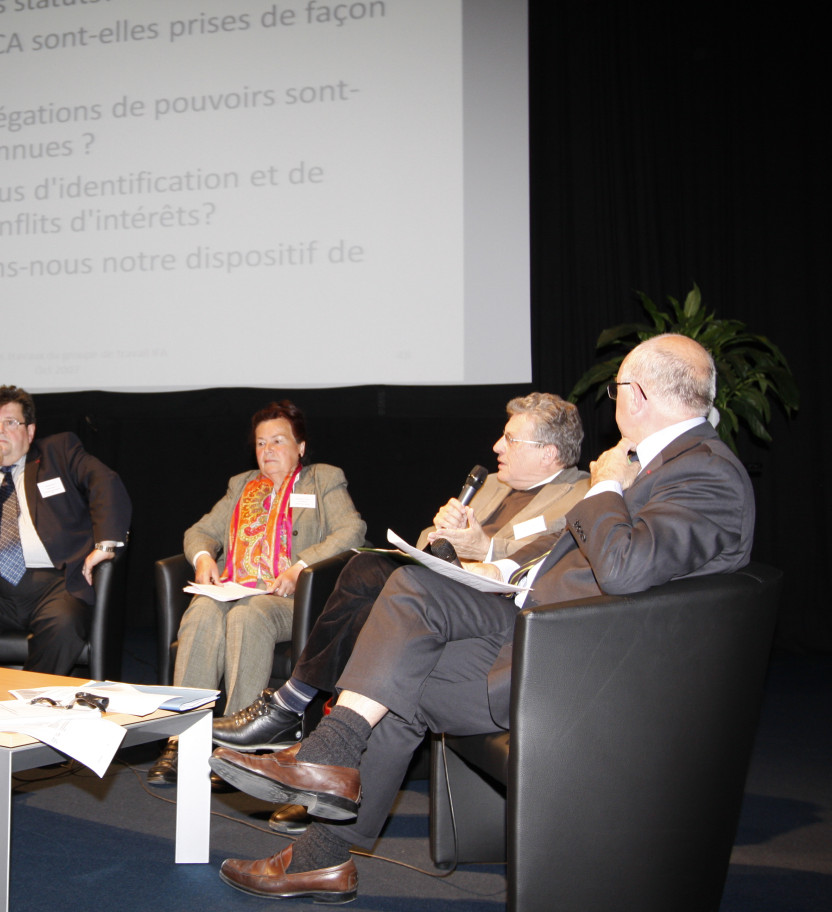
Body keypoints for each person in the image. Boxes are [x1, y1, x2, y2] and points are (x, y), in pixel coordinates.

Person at [209, 335, 756, 904]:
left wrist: (606, 485)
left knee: (404, 647)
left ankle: (326, 764)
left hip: (581, 666)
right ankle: (323, 835)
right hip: (549, 626)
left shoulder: (705, 473)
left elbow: (621, 568)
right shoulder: (669, 463)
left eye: (618, 389)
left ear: (636, 395)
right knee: (405, 610)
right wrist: (508, 573)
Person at [211, 393, 589, 831]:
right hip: (443, 591)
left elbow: (544, 557)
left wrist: (481, 545)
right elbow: (432, 535)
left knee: (383, 596)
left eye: (510, 439)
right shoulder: (495, 484)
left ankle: (298, 724)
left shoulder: (578, 496)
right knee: (366, 566)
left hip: (495, 617)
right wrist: (443, 535)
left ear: (549, 454)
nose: (496, 448)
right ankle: (313, 743)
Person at [148, 401, 366, 786]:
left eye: (278, 442)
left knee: (248, 614)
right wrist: (202, 558)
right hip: (237, 591)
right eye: (261, 444)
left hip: (292, 602)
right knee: (200, 611)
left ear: (300, 446)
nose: (267, 452)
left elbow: (351, 532)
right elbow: (199, 531)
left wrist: (301, 567)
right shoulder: (242, 485)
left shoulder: (323, 479)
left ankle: (232, 749)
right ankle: (181, 740)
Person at [0, 385, 131, 676]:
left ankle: (30, 701)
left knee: (63, 624)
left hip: (53, 584)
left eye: (11, 422)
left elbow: (105, 481)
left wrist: (105, 545)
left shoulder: (58, 453)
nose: (0, 431)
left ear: (30, 431)